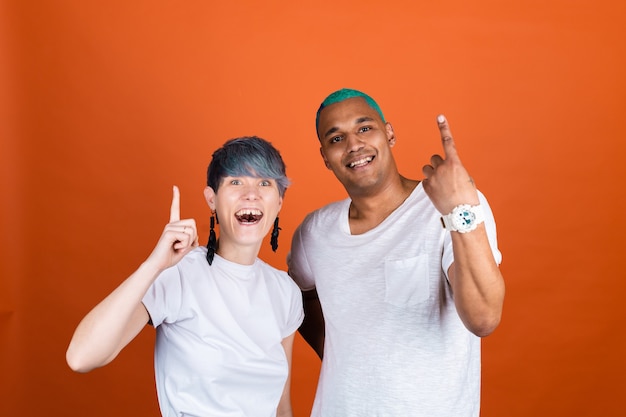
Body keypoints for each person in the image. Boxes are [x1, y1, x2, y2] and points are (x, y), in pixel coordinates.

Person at [287, 88, 505, 416]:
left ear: (389, 133)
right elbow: (299, 297)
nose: (354, 145)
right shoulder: (314, 233)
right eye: (336, 139)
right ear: (325, 158)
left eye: (365, 128)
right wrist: (338, 354)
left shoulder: (451, 208)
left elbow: (484, 318)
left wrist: (459, 209)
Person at [67, 136, 304, 417]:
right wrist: (153, 266)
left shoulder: (285, 291)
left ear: (278, 203)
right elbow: (81, 357)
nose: (251, 193)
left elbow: (281, 407)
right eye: (236, 182)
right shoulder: (179, 274)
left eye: (264, 182)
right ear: (211, 199)